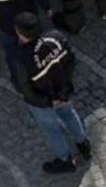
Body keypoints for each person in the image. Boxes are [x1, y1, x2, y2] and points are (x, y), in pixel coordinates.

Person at [11, 12, 91, 174]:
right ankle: (83, 145)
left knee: (51, 129)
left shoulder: (22, 58)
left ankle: (65, 160)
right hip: (62, 91)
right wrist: (64, 89)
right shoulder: (56, 37)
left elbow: (25, 87)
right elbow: (71, 61)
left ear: (19, 32)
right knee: (69, 114)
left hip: (42, 101)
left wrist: (48, 102)